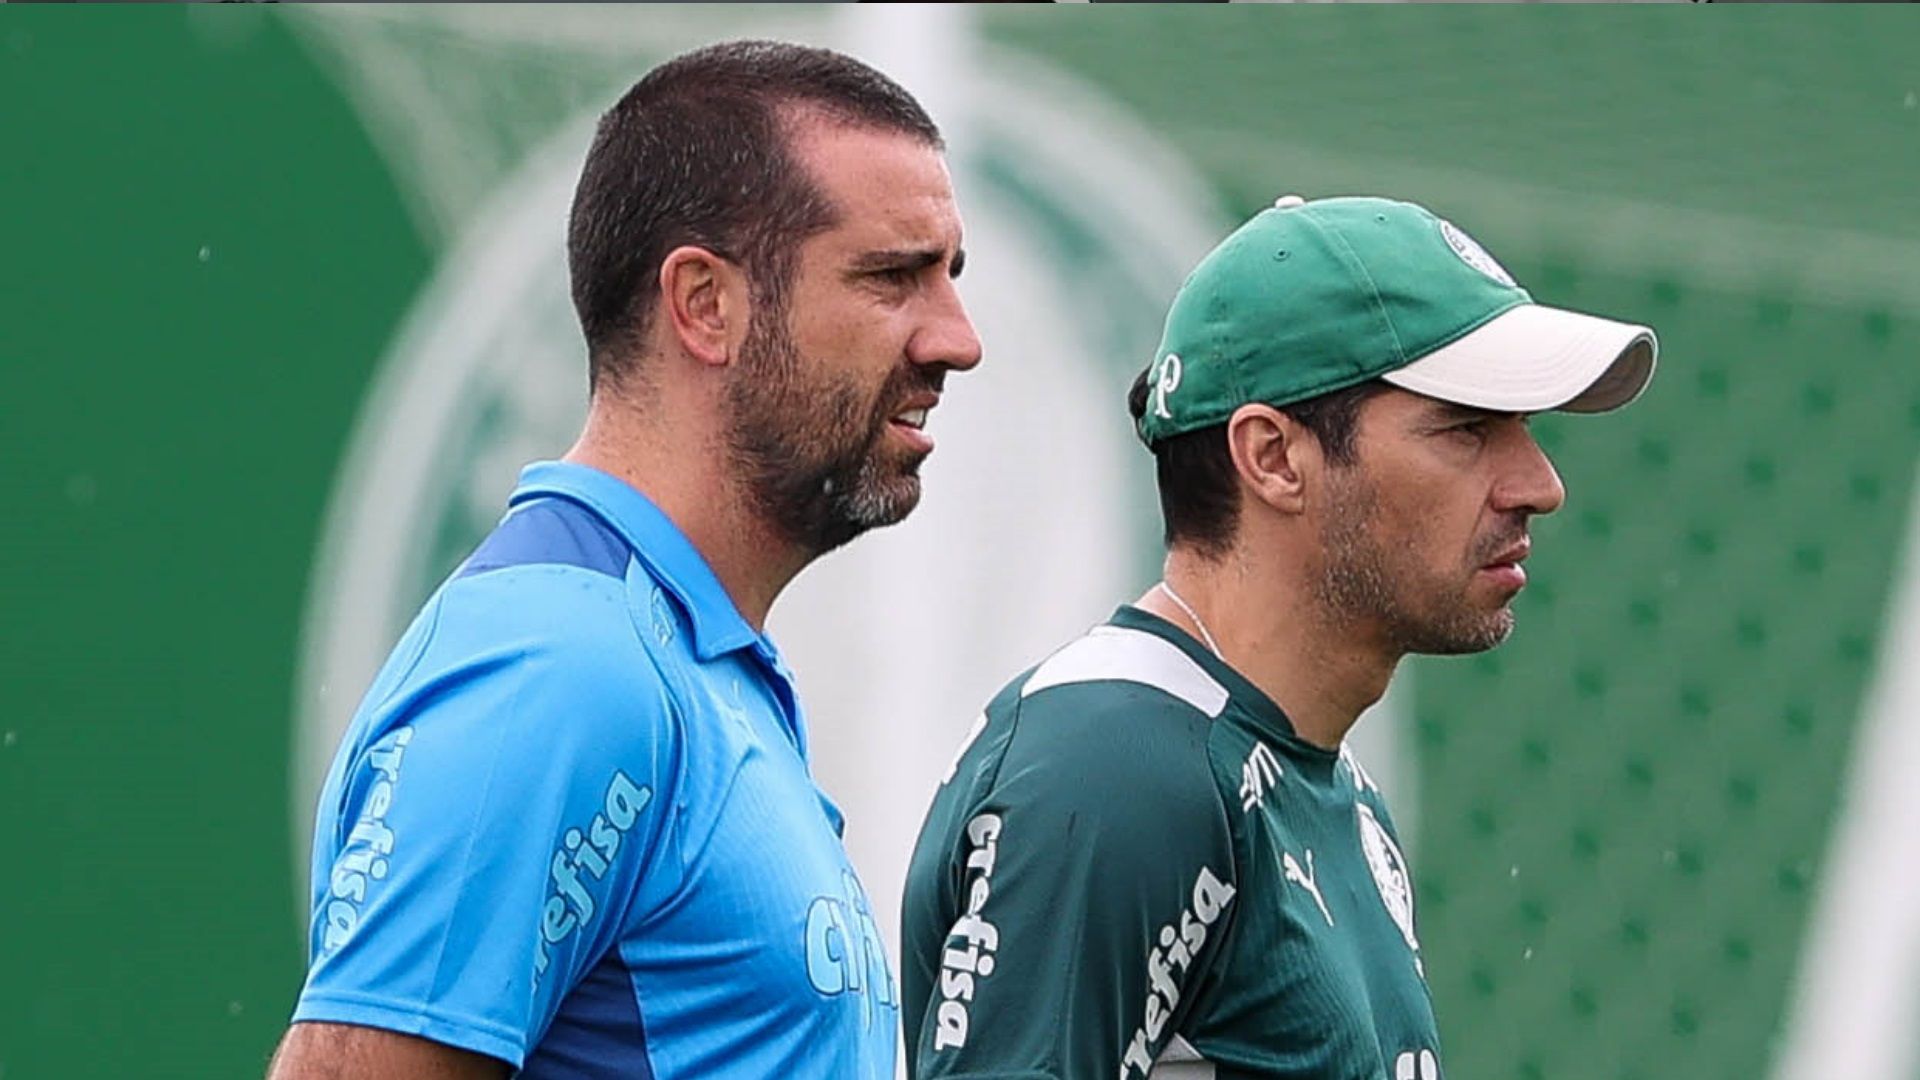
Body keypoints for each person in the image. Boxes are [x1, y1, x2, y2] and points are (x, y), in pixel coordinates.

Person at [269, 40, 981, 1080]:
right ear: (703, 304)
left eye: (949, 278)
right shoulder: (559, 665)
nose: (956, 339)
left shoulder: (681, 660)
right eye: (892, 278)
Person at [901, 194, 1656, 1080]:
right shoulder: (1113, 771)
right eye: (1466, 429)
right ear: (1271, 457)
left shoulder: (1320, 788)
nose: (1539, 483)